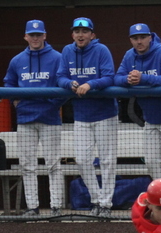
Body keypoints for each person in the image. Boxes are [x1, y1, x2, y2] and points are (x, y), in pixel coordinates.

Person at [56, 17, 118, 218]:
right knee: (82, 159)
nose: (80, 35)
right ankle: (96, 199)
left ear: (92, 34)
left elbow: (110, 76)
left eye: (84, 31)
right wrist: (69, 84)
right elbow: (60, 76)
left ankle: (106, 204)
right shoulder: (67, 51)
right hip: (81, 114)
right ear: (72, 34)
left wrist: (90, 84)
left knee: (107, 160)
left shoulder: (102, 50)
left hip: (105, 113)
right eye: (76, 31)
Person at [115, 23, 161, 196]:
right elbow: (116, 78)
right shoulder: (129, 56)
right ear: (131, 40)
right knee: (152, 161)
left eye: (142, 37)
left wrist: (143, 78)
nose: (139, 41)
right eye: (135, 38)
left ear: (150, 37)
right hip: (150, 116)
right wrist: (127, 80)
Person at [3, 20, 64, 217]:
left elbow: (65, 85)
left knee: (53, 164)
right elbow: (8, 83)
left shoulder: (57, 58)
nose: (35, 38)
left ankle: (56, 207)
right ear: (26, 37)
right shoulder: (17, 60)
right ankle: (32, 207)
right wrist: (16, 103)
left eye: (38, 34)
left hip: (49, 118)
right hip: (25, 118)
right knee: (27, 165)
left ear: (45, 35)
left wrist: (53, 104)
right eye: (32, 35)